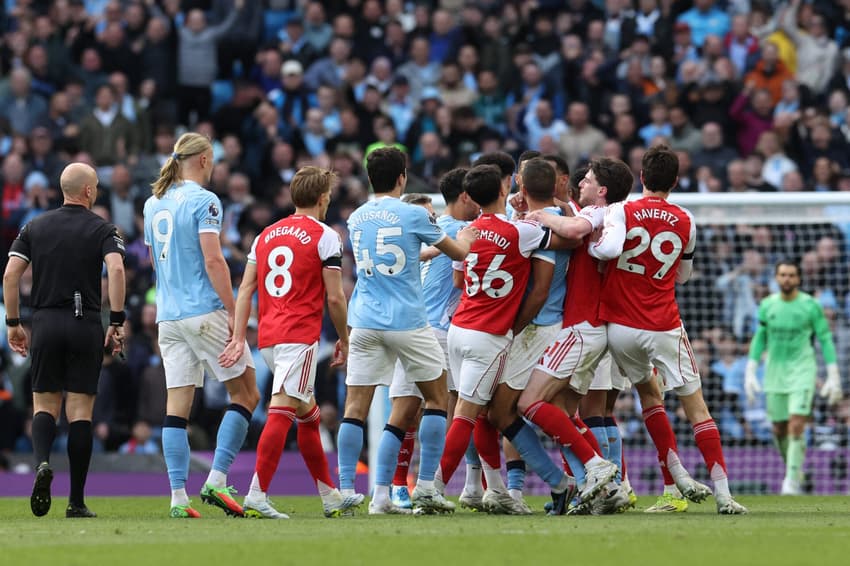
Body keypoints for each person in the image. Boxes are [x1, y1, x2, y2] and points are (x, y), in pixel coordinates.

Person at [437, 163, 614, 515]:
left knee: (517, 409)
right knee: (499, 412)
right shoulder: (535, 219)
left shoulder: (535, 222)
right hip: (528, 327)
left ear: (518, 184)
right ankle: (558, 483)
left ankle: (594, 473)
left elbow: (540, 290)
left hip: (538, 327)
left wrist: (513, 327)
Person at [588, 145, 748, 515]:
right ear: (675, 181)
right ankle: (723, 494)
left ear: (642, 176)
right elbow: (684, 275)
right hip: (663, 324)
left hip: (621, 327)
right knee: (696, 408)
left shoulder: (621, 210)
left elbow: (608, 251)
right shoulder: (686, 220)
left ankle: (674, 480)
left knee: (650, 398)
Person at [337, 147, 477, 515]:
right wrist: (474, 232)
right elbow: (459, 252)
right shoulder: (414, 213)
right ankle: (428, 486)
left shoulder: (356, 217)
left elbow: (400, 254)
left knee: (356, 408)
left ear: (370, 178)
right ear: (402, 177)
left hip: (364, 319)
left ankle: (353, 491)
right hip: (408, 321)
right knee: (437, 399)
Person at [219, 166, 365, 518]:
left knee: (309, 416)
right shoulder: (326, 235)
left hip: (269, 338)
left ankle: (330, 495)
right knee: (282, 409)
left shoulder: (266, 235)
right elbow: (334, 299)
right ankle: (257, 494)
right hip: (298, 337)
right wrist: (345, 338)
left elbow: (246, 289)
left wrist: (240, 337)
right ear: (322, 198)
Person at [144, 133, 259, 519]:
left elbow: (156, 262)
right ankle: (217, 479)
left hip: (168, 315)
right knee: (246, 394)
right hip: (203, 309)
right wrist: (232, 309)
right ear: (205, 160)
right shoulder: (204, 201)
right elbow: (214, 261)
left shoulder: (152, 202)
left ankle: (178, 497)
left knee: (177, 408)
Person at [3, 162, 126, 518]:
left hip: (45, 321)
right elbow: (116, 269)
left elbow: (11, 274)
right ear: (88, 191)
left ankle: (42, 462)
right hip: (85, 321)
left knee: (44, 406)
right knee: (80, 413)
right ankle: (76, 501)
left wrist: (13, 323)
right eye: (97, 186)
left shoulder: (35, 226)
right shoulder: (103, 228)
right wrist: (115, 320)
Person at [745, 260, 843, 495]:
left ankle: (790, 482)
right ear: (777, 278)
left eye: (791, 275)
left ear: (798, 279)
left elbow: (825, 339)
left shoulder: (810, 305)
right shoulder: (768, 305)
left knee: (796, 424)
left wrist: (833, 374)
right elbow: (760, 337)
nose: (786, 279)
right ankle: (796, 471)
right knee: (778, 429)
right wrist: (750, 369)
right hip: (775, 371)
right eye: (782, 275)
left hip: (802, 370)